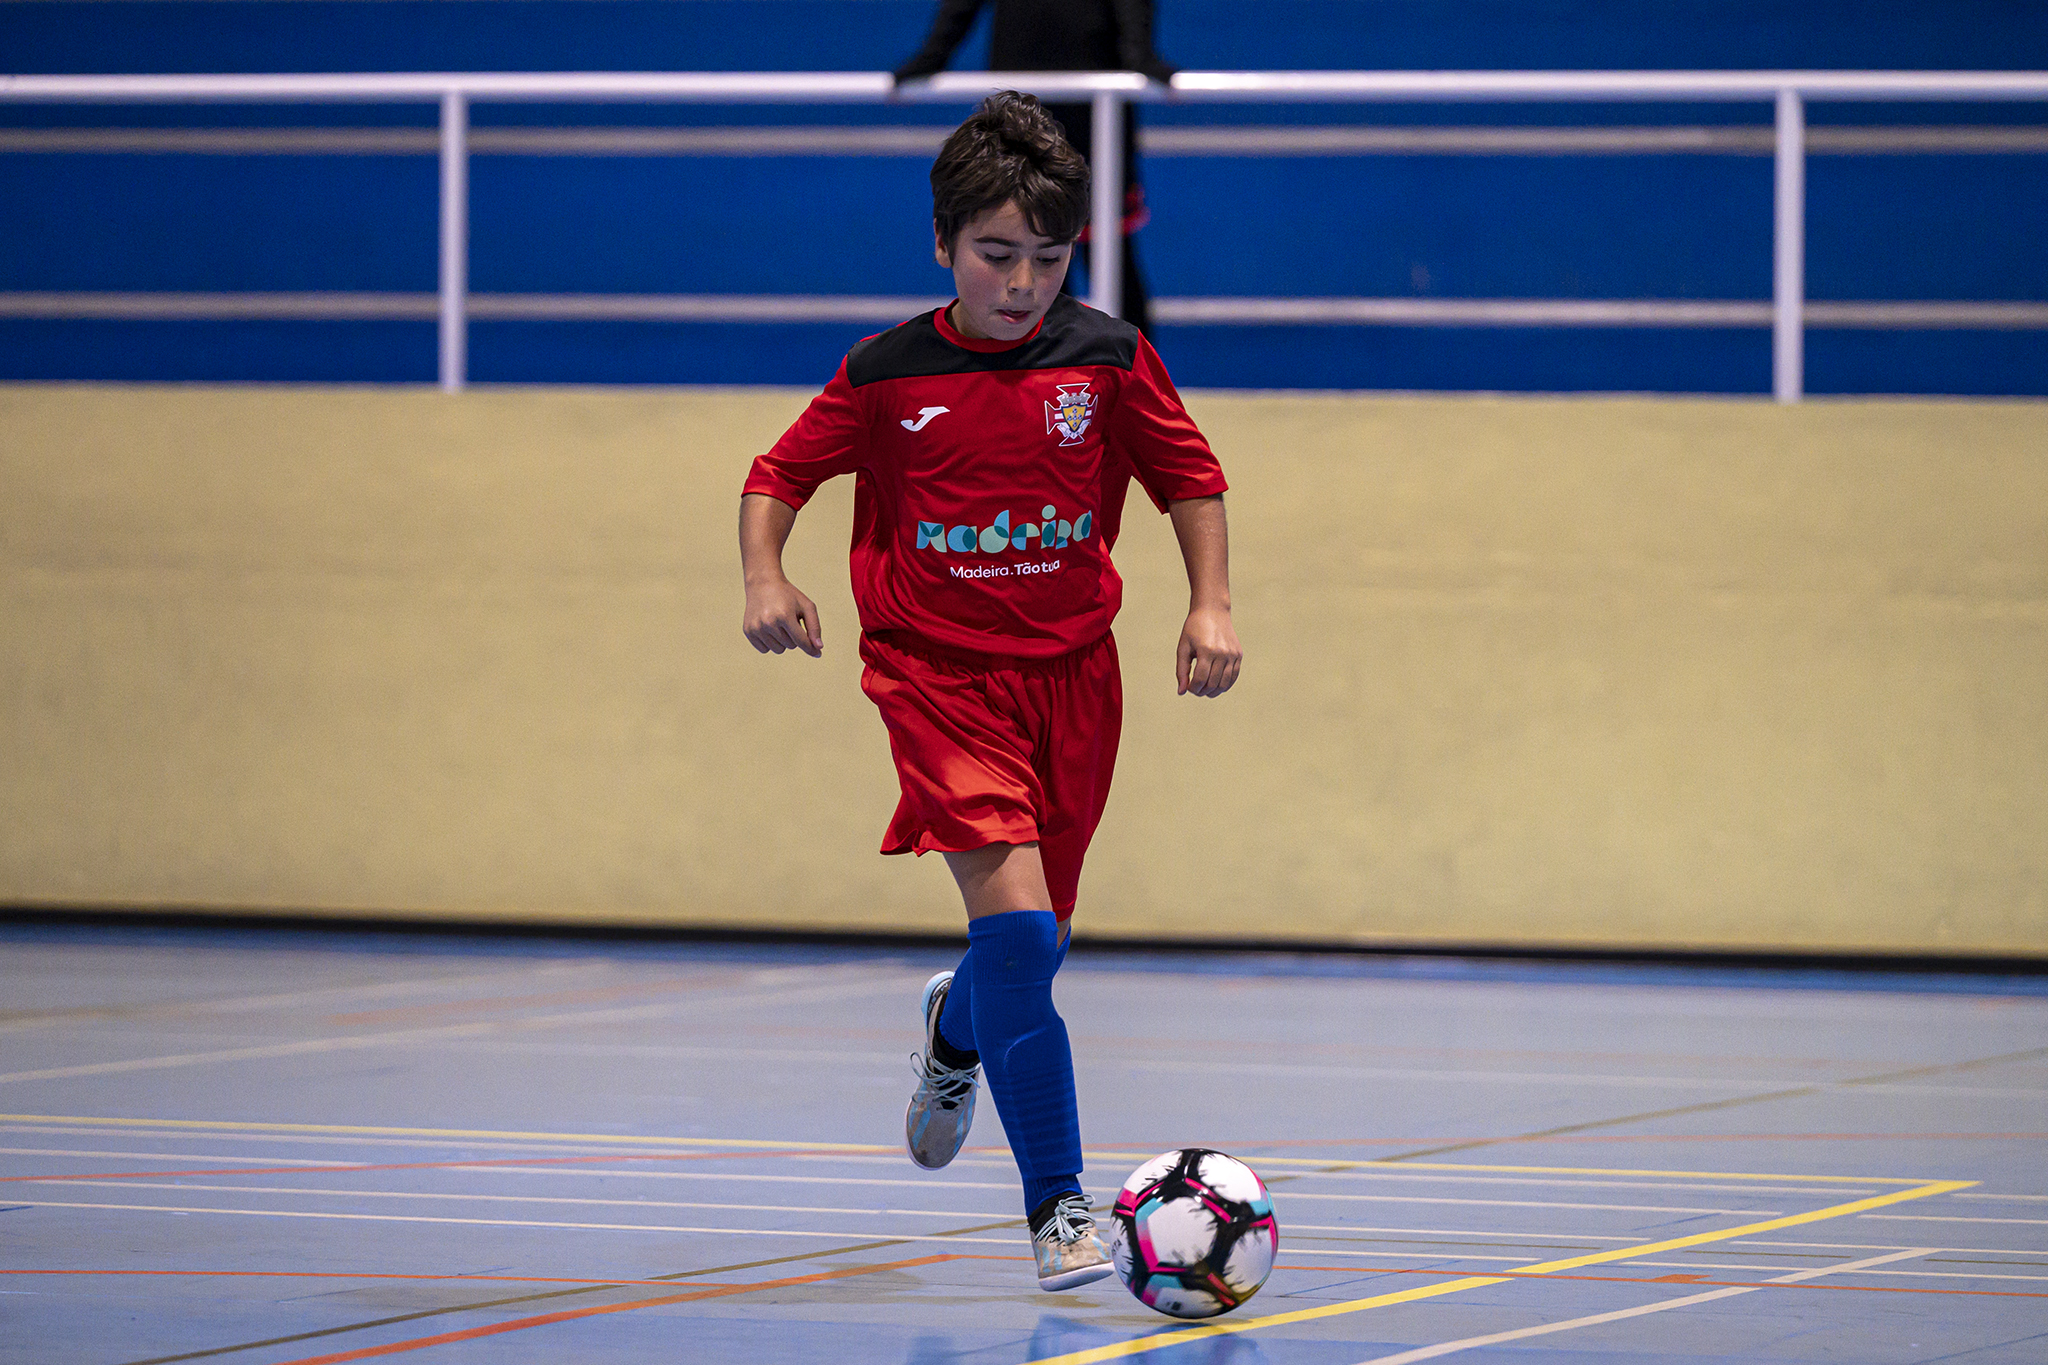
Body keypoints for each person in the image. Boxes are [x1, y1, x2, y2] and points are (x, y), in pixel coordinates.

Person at [738, 92, 1239, 1293]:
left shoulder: (1107, 358)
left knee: (1032, 946)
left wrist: (1208, 603)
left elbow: (1190, 478)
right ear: (942, 246)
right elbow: (778, 471)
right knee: (1016, 930)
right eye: (995, 255)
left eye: (1048, 259)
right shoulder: (888, 372)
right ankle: (1058, 1209)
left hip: (1074, 683)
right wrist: (767, 573)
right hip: (934, 677)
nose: (1021, 283)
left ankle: (952, 1029)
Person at [892, 0, 1177, 337]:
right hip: (1021, 104)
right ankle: (1040, 372)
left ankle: (1134, 374)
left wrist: (1139, 54)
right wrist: (933, 55)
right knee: (1026, 245)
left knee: (1108, 252)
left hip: (1093, 103)